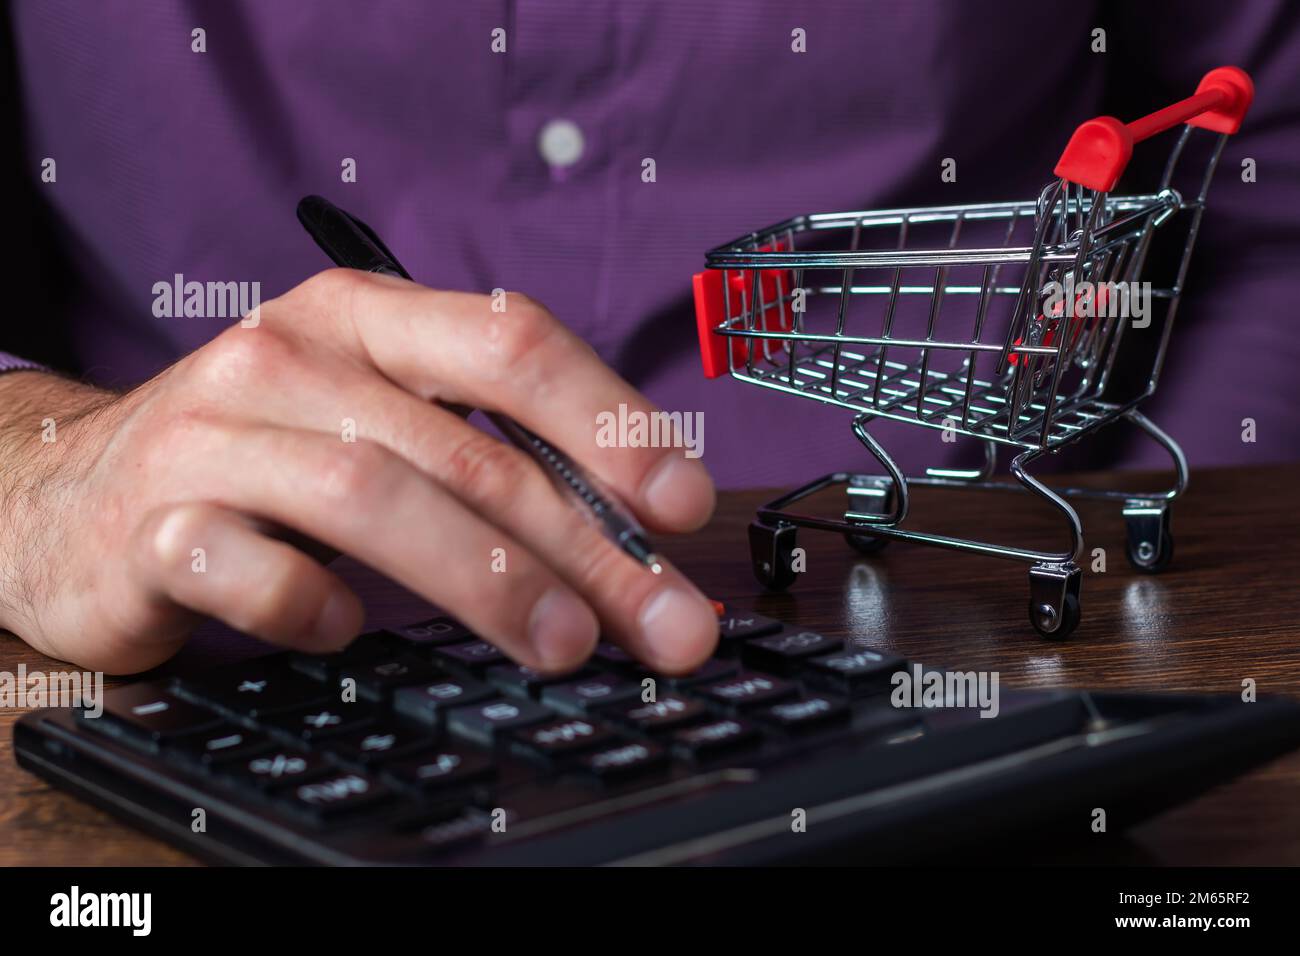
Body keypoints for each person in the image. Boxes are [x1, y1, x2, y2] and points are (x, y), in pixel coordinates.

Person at [2, 1, 1296, 675]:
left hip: (976, 645)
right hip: (221, 665)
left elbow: (1264, 182)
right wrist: (37, 470)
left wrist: (1159, 651)